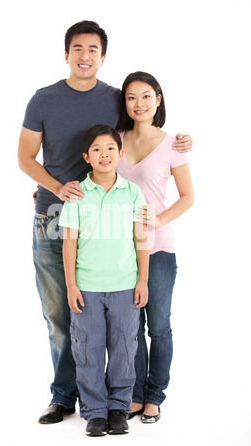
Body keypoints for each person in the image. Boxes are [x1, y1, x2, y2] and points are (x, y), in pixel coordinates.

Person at [18, 20, 193, 425]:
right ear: (66, 54)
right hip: (53, 214)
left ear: (103, 56)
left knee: (120, 317)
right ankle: (65, 396)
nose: (85, 57)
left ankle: (120, 397)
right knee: (60, 314)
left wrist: (181, 142)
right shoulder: (43, 99)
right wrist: (56, 188)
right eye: (77, 49)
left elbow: (142, 127)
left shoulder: (116, 99)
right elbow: (25, 157)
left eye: (93, 50)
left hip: (110, 221)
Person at [59, 125, 149, 437]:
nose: (104, 154)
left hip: (125, 284)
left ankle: (118, 408)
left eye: (111, 148)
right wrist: (71, 285)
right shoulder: (77, 194)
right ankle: (95, 412)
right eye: (96, 149)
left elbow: (141, 238)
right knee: (88, 350)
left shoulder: (133, 192)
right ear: (87, 156)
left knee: (125, 348)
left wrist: (143, 280)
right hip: (87, 287)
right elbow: (69, 242)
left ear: (120, 154)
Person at [116, 71, 194, 423]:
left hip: (158, 249)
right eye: (131, 97)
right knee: (129, 326)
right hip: (117, 249)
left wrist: (160, 220)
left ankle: (154, 396)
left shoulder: (172, 144)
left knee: (158, 325)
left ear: (158, 99)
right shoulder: (114, 140)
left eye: (146, 96)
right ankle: (133, 394)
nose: (139, 103)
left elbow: (188, 196)